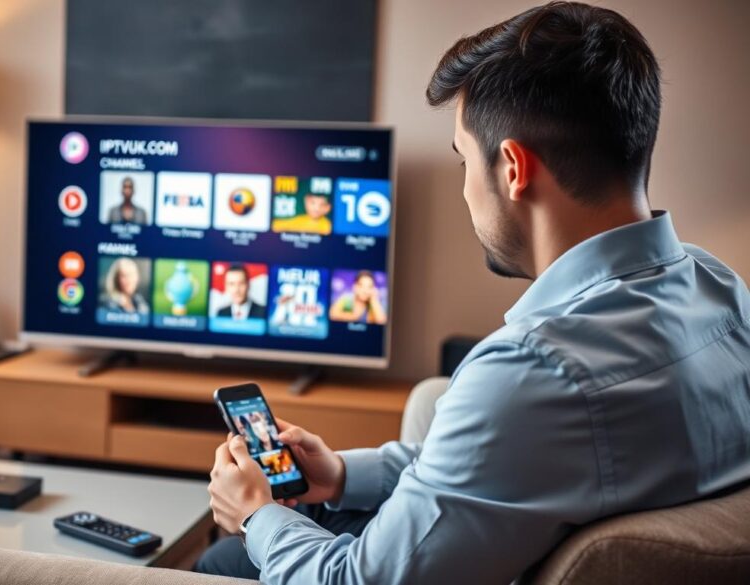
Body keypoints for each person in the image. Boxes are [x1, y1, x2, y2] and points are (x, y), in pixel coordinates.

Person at [197, 3, 750, 584]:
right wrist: (339, 474)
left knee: (221, 561)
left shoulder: (534, 371)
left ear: (513, 168)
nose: (465, 190)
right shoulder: (719, 289)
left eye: (464, 159)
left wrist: (256, 515)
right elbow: (512, 462)